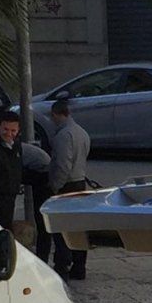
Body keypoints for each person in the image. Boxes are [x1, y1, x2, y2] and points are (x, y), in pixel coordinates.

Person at [48, 98, 91, 280]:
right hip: (80, 182)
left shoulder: (63, 135)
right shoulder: (82, 132)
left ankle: (62, 265)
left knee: (61, 227)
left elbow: (62, 165)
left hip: (67, 185)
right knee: (77, 227)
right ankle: (79, 266)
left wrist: (55, 186)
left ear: (57, 114)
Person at [20, 141, 53, 264]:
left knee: (42, 222)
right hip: (43, 172)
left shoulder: (15, 151)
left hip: (43, 176)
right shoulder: (24, 149)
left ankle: (42, 257)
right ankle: (42, 256)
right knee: (44, 224)